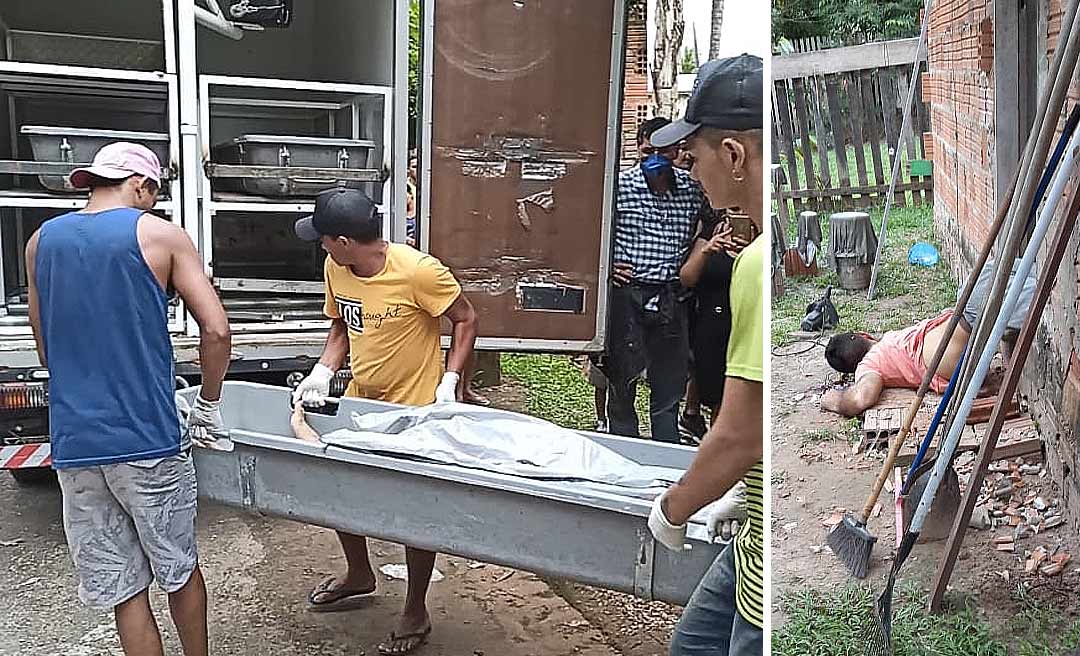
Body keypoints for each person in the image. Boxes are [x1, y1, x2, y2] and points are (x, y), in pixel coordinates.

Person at [26, 142, 232, 656]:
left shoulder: (40, 242)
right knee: (178, 569)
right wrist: (206, 402)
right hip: (146, 436)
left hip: (75, 442)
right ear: (139, 185)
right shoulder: (161, 235)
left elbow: (44, 343)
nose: (153, 202)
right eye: (154, 191)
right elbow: (217, 330)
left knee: (123, 586)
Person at [290, 187, 478, 655]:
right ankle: (359, 573)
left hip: (414, 407)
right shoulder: (337, 266)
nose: (320, 246)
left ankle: (416, 608)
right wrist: (323, 370)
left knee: (416, 511)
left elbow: (466, 318)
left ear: (345, 240)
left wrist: (450, 380)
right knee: (342, 490)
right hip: (361, 400)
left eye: (323, 238)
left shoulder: (418, 271)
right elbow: (341, 325)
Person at [645, 54, 765, 655]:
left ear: (735, 156)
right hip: (751, 543)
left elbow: (741, 434)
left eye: (692, 158)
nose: (690, 174)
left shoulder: (756, 265)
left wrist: (673, 507)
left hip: (768, 586)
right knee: (690, 645)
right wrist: (739, 491)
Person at [820, 259, 1036, 417]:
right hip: (954, 335)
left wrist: (833, 397)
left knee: (1020, 273)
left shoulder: (879, 355)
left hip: (955, 337)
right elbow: (861, 398)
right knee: (1030, 278)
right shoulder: (870, 363)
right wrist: (832, 400)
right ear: (863, 335)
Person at [608, 117, 704, 443]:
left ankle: (666, 456)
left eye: (663, 150)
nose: (655, 157)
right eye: (648, 149)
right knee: (622, 381)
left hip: (670, 298)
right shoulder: (618, 187)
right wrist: (605, 266)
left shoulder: (691, 191)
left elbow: (714, 224)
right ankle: (623, 451)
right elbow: (588, 230)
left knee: (668, 387)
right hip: (627, 295)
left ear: (675, 150)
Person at [679, 207, 754, 425]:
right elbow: (687, 278)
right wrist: (707, 250)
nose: (738, 214)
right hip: (711, 323)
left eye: (742, 209)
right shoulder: (712, 232)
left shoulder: (759, 240)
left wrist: (750, 253)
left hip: (744, 324)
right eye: (734, 210)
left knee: (732, 394)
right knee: (713, 391)